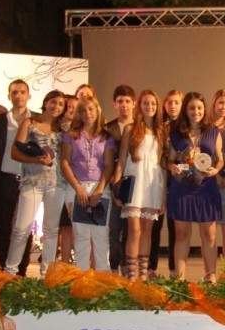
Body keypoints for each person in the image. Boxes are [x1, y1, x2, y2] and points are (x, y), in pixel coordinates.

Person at [4, 90, 66, 277]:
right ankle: (10, 272)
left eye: (61, 104)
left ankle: (47, 274)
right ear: (46, 102)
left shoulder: (62, 130)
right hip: (32, 181)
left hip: (56, 183)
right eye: (53, 102)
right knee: (21, 229)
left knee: (51, 231)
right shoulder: (29, 123)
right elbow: (15, 152)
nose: (56, 107)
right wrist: (36, 160)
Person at [167, 92, 224, 281]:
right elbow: (170, 159)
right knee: (182, 235)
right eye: (191, 108)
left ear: (204, 109)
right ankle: (180, 280)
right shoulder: (176, 132)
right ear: (186, 110)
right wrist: (172, 167)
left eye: (199, 108)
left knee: (209, 235)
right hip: (182, 188)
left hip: (206, 187)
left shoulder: (213, 131)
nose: (196, 111)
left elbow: (220, 159)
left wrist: (216, 170)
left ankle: (210, 277)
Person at [111, 90, 166, 281]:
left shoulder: (161, 131)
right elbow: (121, 160)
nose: (150, 107)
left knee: (147, 230)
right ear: (140, 106)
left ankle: (143, 274)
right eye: (146, 103)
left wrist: (164, 196)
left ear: (157, 107)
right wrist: (116, 187)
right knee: (134, 230)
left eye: (153, 103)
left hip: (153, 183)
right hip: (134, 181)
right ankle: (131, 274)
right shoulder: (130, 129)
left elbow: (163, 165)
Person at [60, 95, 115, 271]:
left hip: (100, 187)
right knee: (81, 235)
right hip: (76, 188)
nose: (87, 113)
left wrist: (100, 189)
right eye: (83, 110)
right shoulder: (70, 135)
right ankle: (81, 277)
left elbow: (109, 165)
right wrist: (78, 187)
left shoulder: (106, 136)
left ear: (97, 111)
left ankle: (102, 277)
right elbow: (64, 162)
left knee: (101, 235)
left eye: (91, 109)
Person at [0, 79, 36, 276]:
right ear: (9, 96)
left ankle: (21, 269)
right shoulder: (1, 121)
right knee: (4, 224)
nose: (19, 96)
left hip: (29, 178)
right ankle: (5, 266)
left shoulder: (35, 120)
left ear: (29, 95)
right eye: (14, 92)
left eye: (22, 92)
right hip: (6, 178)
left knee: (25, 226)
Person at [149, 89, 183, 278]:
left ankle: (174, 268)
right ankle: (150, 267)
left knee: (175, 227)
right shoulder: (159, 127)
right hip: (160, 178)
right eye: (169, 102)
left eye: (177, 102)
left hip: (179, 180)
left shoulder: (186, 127)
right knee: (155, 224)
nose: (173, 106)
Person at [105, 85, 136, 274]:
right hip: (113, 181)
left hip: (136, 182)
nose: (124, 105)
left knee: (131, 228)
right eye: (120, 102)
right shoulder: (107, 129)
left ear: (134, 103)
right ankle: (114, 266)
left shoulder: (141, 127)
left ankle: (127, 266)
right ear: (114, 104)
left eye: (127, 101)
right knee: (114, 228)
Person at [211, 89, 225, 259]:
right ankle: (210, 270)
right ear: (214, 103)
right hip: (208, 179)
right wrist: (215, 174)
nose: (223, 107)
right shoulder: (205, 128)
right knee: (209, 229)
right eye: (220, 102)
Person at [58, 94, 79, 263]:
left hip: (74, 183)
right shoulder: (55, 127)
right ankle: (56, 264)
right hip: (57, 182)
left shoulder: (81, 130)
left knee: (71, 226)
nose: (71, 110)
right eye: (68, 106)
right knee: (56, 226)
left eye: (74, 107)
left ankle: (68, 263)